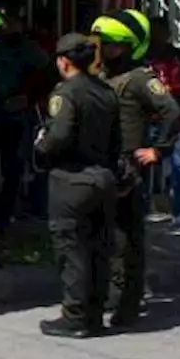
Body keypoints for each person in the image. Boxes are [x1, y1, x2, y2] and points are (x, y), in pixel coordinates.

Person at [92, 9, 180, 327]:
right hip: (101, 165)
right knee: (101, 235)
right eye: (105, 43)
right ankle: (107, 295)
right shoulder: (102, 76)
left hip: (127, 167)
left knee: (127, 238)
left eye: (115, 44)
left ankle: (127, 301)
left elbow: (171, 112)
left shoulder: (141, 79)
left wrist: (157, 150)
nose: (107, 48)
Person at [32, 34, 120, 339]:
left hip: (72, 180)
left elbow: (60, 135)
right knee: (99, 249)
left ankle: (75, 317)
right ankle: (94, 315)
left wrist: (42, 145)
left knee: (71, 250)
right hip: (104, 178)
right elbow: (116, 140)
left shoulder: (66, 93)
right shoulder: (106, 91)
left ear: (63, 61)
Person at [0, 0, 52, 234]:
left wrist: (28, 97)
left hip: (15, 116)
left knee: (13, 169)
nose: (9, 25)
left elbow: (49, 73)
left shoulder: (26, 46)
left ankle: (5, 215)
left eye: (13, 20)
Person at [145, 16, 180, 229]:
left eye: (162, 31)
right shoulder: (141, 58)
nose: (158, 36)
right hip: (148, 119)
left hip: (176, 120)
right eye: (154, 31)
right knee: (141, 166)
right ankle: (141, 210)